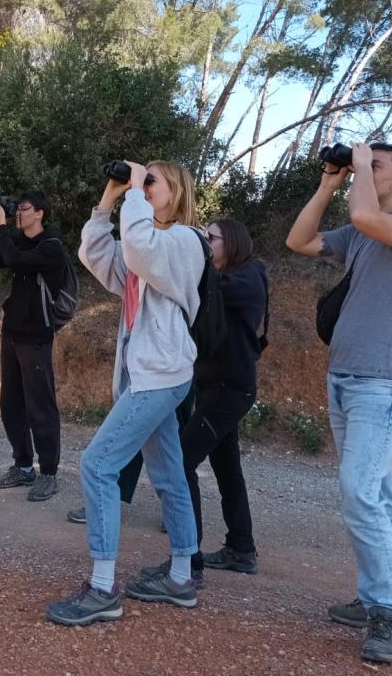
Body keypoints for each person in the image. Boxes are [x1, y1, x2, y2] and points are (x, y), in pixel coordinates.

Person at [285, 142, 392, 664]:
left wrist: (361, 153)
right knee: (378, 490)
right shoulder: (360, 234)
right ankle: (381, 594)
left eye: (375, 169)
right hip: (345, 378)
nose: (364, 174)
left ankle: (390, 610)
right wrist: (330, 180)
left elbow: (364, 213)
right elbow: (298, 239)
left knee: (359, 491)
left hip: (386, 381)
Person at [46, 160, 205, 627]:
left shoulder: (186, 241)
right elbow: (99, 257)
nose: (145, 186)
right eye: (144, 179)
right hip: (149, 374)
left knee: (97, 465)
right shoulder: (151, 246)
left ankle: (101, 589)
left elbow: (137, 245)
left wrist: (135, 191)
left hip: (160, 373)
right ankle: (180, 577)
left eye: (152, 181)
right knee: (169, 474)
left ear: (176, 190)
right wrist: (109, 198)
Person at [138, 218, 268, 586]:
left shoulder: (246, 278)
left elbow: (203, 286)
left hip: (229, 390)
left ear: (234, 242)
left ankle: (188, 559)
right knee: (227, 468)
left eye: (211, 238)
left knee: (179, 462)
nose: (206, 245)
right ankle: (241, 548)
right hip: (216, 387)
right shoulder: (228, 278)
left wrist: (182, 255)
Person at [0, 190, 66, 502]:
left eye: (24, 209)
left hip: (36, 336)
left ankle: (49, 473)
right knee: (10, 404)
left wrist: (2, 227)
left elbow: (15, 259)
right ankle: (24, 466)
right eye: (18, 209)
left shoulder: (51, 247)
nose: (18, 213)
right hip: (12, 332)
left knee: (40, 406)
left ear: (39, 213)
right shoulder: (23, 243)